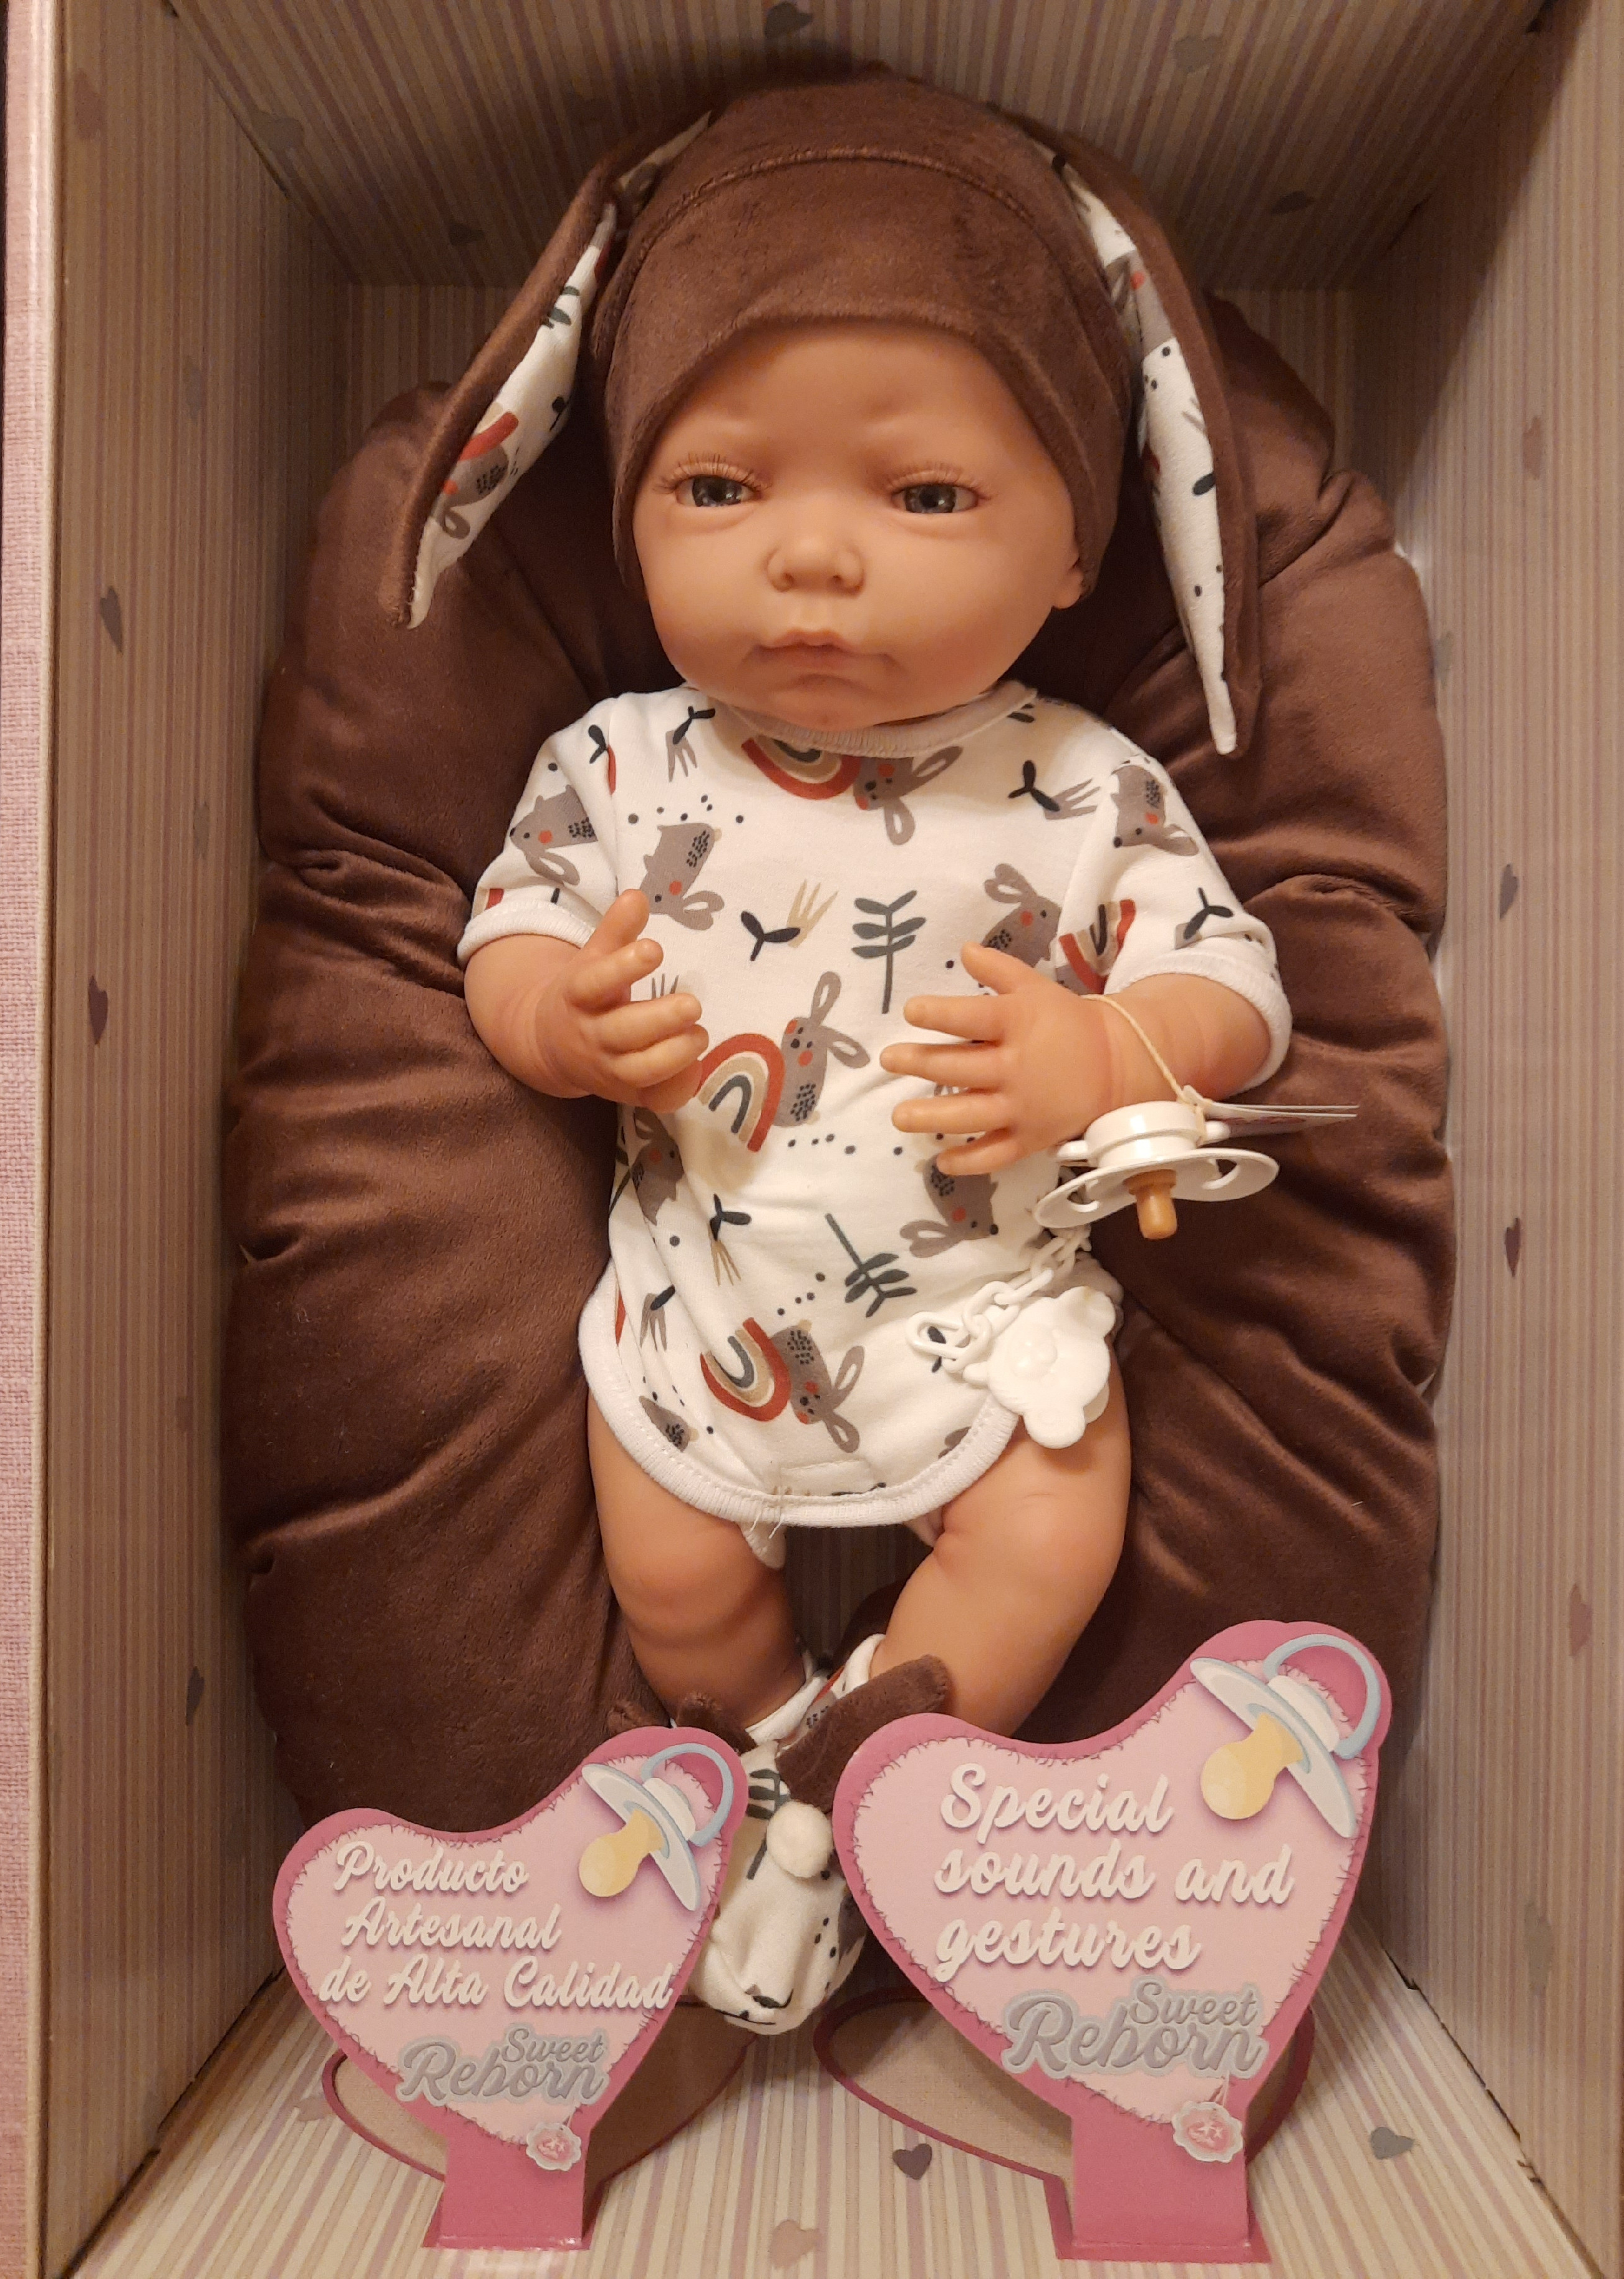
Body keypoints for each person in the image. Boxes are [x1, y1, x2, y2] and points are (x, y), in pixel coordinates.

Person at [456, 78, 1290, 2028]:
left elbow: (1239, 993)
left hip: (983, 1321)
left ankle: (865, 1788)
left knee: (1052, 1530)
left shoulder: (1080, 786)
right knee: (670, 1573)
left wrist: (1109, 1047)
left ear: (1078, 551)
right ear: (626, 517)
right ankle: (778, 1748)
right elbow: (506, 926)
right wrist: (559, 1019)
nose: (812, 560)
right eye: (718, 490)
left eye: (923, 498)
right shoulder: (622, 763)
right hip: (703, 1306)